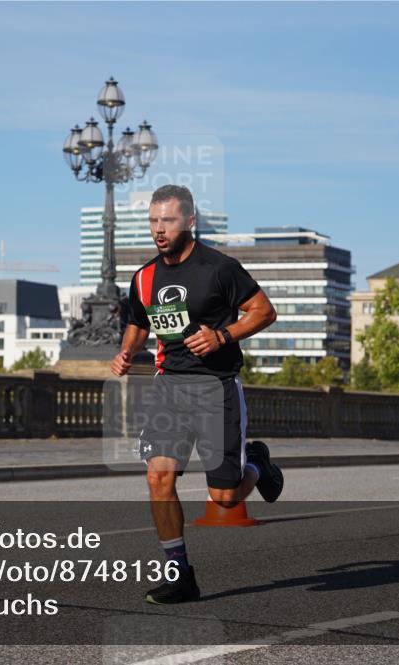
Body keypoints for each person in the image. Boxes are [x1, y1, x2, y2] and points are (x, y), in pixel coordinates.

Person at [110, 184, 282, 604]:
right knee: (158, 476)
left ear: (189, 221)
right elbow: (139, 320)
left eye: (167, 220)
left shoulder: (219, 268)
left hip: (216, 387)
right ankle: (179, 574)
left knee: (223, 499)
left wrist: (223, 335)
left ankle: (257, 462)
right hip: (170, 386)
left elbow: (264, 311)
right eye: (153, 221)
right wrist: (128, 349)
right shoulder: (145, 276)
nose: (158, 229)